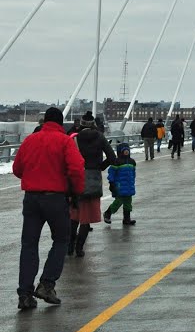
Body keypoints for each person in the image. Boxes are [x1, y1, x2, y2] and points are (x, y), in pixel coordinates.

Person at [12, 106, 85, 310]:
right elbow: (77, 168)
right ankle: (47, 284)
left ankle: (25, 295)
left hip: (31, 199)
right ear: (61, 123)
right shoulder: (64, 141)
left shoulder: (30, 140)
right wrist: (76, 192)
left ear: (44, 121)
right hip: (55, 199)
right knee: (61, 239)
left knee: (29, 244)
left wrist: (33, 179)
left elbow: (17, 168)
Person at [69, 112, 116, 257]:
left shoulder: (74, 138)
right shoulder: (100, 137)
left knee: (73, 216)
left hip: (76, 178)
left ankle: (69, 247)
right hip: (93, 179)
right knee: (86, 218)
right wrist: (100, 167)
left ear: (81, 124)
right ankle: (79, 249)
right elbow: (112, 158)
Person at [103, 143, 137, 226]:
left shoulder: (132, 162)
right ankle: (107, 213)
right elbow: (111, 173)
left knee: (128, 203)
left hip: (129, 186)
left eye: (127, 150)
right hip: (120, 186)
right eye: (124, 150)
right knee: (119, 201)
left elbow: (133, 173)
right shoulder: (117, 162)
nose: (126, 151)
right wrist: (111, 183)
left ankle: (127, 219)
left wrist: (132, 181)